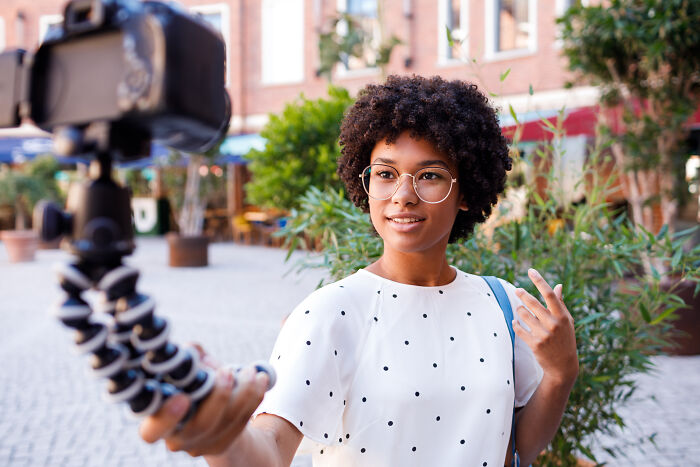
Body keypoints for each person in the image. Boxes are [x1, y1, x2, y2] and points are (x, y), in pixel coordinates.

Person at [139, 75, 579, 467]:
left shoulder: (500, 305)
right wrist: (222, 435)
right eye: (386, 173)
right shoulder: (330, 313)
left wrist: (561, 371)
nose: (402, 195)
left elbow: (518, 445)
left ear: (466, 192)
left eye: (429, 175)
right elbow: (270, 448)